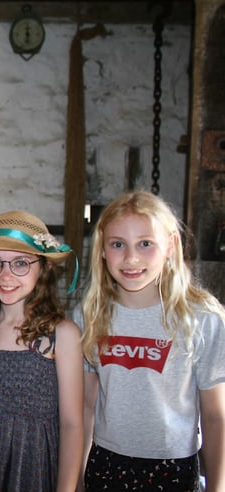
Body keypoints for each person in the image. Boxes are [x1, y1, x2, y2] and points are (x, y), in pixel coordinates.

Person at [75, 190, 225, 491]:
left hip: (174, 466)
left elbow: (215, 415)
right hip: (106, 464)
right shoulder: (89, 315)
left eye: (145, 244)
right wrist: (77, 478)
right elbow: (87, 406)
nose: (131, 258)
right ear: (102, 250)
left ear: (170, 245)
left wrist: (217, 487)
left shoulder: (201, 318)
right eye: (118, 244)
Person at [0, 210, 84, 491]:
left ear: (45, 268)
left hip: (35, 462)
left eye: (20, 263)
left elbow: (72, 424)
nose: (6, 275)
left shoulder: (62, 335)